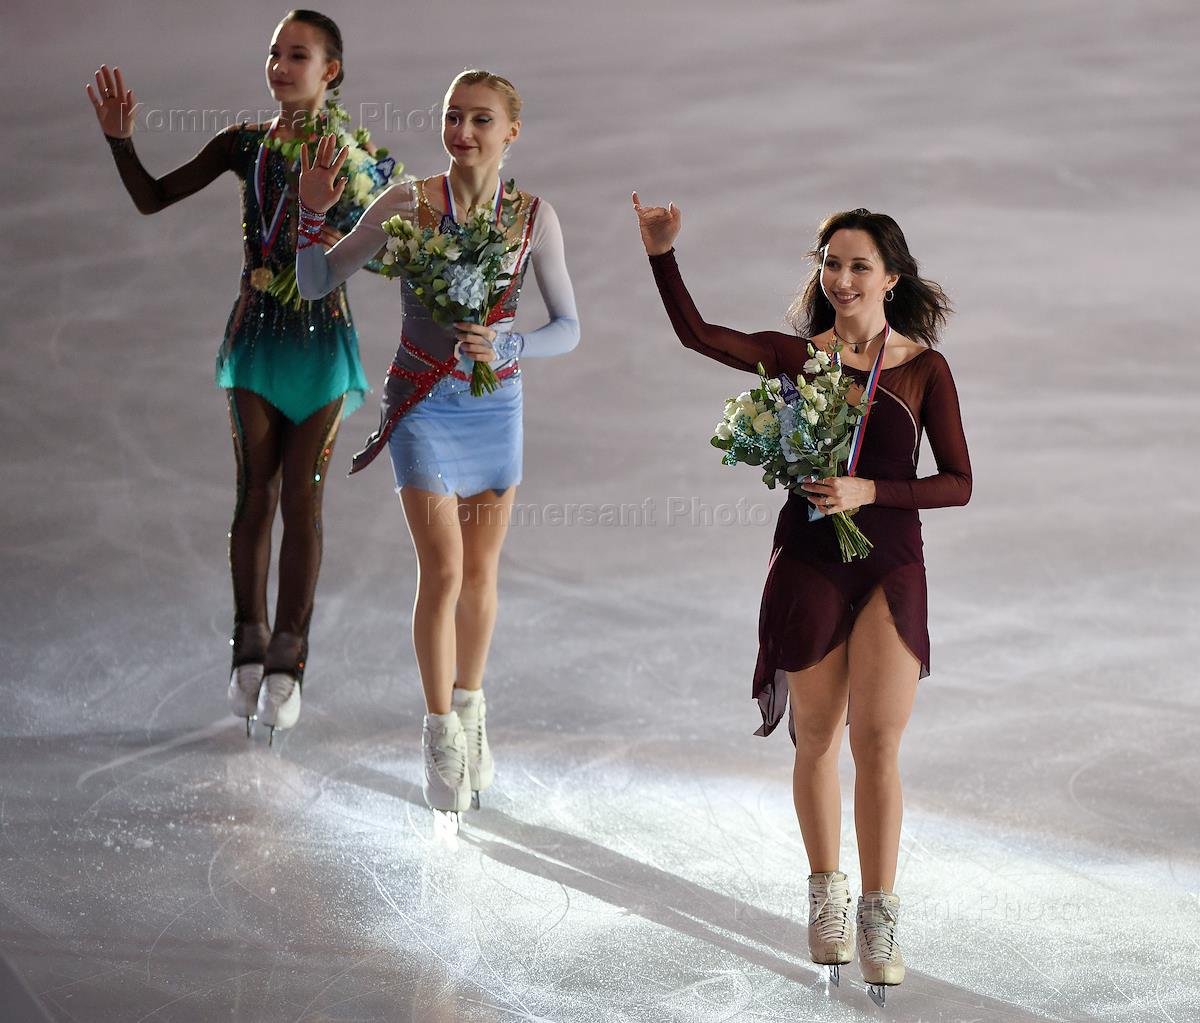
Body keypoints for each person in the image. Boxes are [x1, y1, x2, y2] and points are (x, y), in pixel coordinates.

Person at [632, 194, 971, 1000]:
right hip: (812, 562)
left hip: (891, 567)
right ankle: (827, 898)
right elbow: (698, 335)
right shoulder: (795, 356)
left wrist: (870, 490)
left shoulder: (923, 368)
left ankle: (879, 916)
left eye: (859, 265)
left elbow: (958, 482)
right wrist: (662, 253)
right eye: (831, 264)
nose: (842, 279)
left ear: (891, 277)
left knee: (877, 742)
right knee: (816, 736)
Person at [296, 70, 579, 816]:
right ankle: (438, 729)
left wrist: (511, 343)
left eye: (480, 119)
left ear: (511, 131)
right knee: (445, 567)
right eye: (453, 117)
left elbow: (569, 327)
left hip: (495, 408)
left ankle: (472, 708)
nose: (463, 131)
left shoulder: (534, 218)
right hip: (422, 404)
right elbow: (319, 280)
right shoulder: (408, 203)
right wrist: (310, 214)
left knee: (481, 572)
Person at [88, 11, 373, 742]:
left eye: (298, 55)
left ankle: (289, 658)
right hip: (255, 341)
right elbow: (152, 197)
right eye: (274, 52)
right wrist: (121, 141)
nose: (281, 65)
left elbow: (380, 246)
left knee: (303, 500)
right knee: (255, 492)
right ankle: (249, 642)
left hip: (321, 344)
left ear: (331, 70)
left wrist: (335, 214)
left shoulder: (351, 154)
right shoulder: (242, 144)